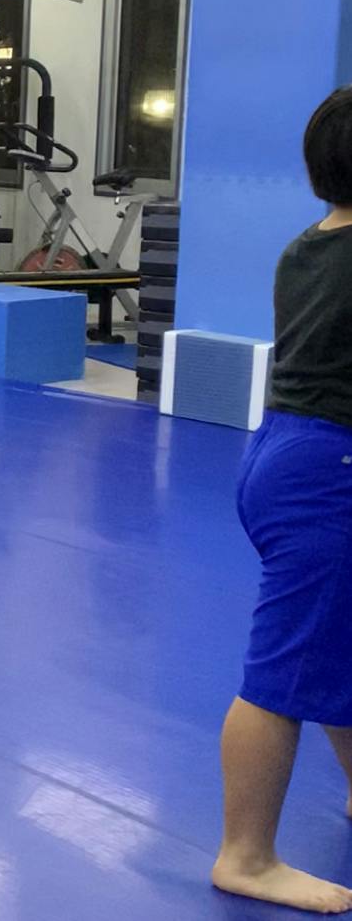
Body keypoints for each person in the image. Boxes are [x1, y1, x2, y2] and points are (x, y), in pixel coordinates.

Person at [211, 85, 352, 915]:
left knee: (337, 635)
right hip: (327, 474)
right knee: (284, 670)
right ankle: (246, 856)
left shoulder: (308, 245)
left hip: (282, 452)